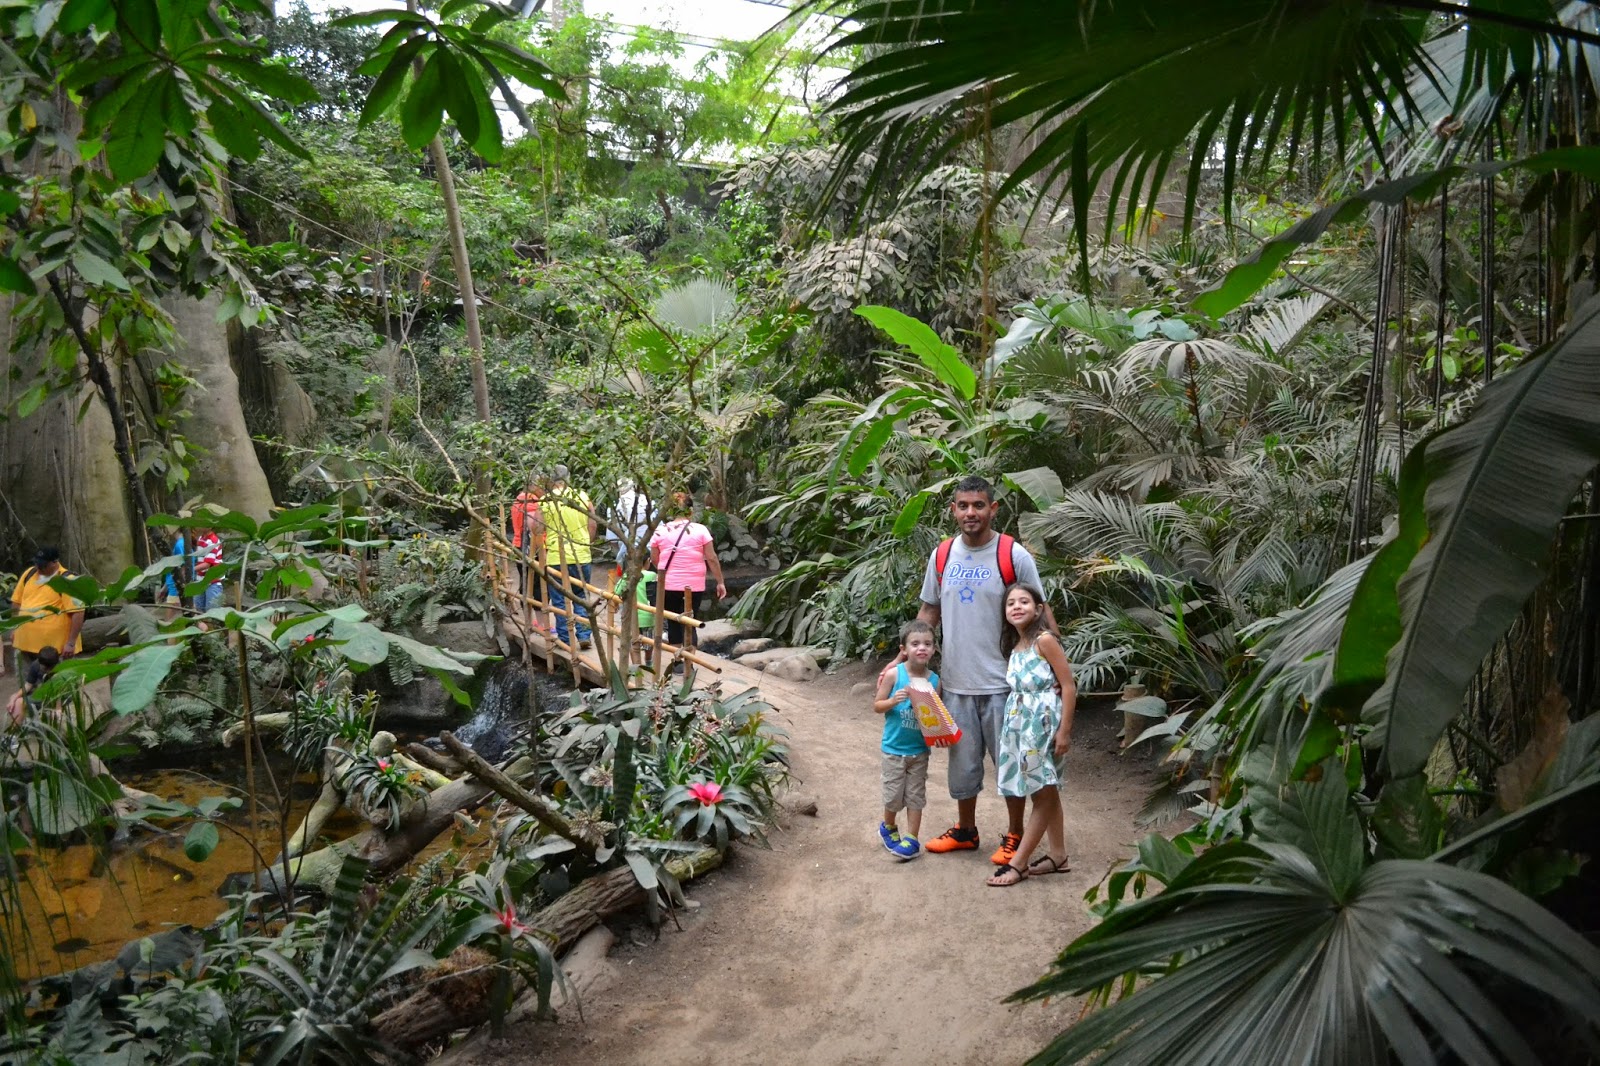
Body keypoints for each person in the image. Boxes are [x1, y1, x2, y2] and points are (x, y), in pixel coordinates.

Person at [912, 475, 1052, 864]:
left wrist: (1055, 671)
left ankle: (1015, 834)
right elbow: (929, 610)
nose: (970, 512)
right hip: (957, 682)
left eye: (978, 505)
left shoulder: (1013, 555)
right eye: (963, 506)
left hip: (1006, 685)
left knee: (1011, 764)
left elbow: (1041, 612)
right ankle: (966, 831)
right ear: (953, 510)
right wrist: (905, 658)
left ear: (993, 509)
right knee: (962, 765)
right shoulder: (942, 555)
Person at [987, 583, 1075, 886]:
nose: (1016, 606)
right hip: (1020, 727)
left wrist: (1064, 731)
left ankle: (1019, 862)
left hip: (1042, 727)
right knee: (1045, 790)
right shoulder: (1016, 646)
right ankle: (1058, 855)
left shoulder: (1045, 640)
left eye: (1024, 601)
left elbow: (1068, 686)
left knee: (1042, 792)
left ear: (1038, 609)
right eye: (1010, 603)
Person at [872, 620, 937, 860]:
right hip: (894, 749)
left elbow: (936, 718)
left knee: (916, 796)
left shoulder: (934, 680)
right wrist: (893, 701)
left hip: (919, 751)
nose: (922, 648)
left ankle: (912, 838)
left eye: (927, 644)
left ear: (934, 649)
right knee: (893, 796)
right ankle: (888, 827)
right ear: (904, 649)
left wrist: (938, 736)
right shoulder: (894, 674)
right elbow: (877, 706)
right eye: (915, 643)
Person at [648, 494, 727, 652]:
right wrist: (720, 582)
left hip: (668, 585)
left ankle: (677, 660)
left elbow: (655, 558)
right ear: (690, 511)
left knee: (673, 622)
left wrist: (667, 571)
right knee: (690, 622)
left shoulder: (661, 531)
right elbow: (711, 558)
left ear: (671, 511)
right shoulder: (700, 530)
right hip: (693, 586)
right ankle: (689, 661)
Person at [2, 548, 84, 679]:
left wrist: (71, 643)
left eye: (42, 565)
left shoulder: (67, 580)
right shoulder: (29, 574)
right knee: (27, 683)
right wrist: (15, 627)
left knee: (57, 683)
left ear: (55, 562)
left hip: (53, 650)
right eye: (37, 563)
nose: (38, 568)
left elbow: (78, 612)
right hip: (25, 644)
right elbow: (17, 601)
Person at [538, 465, 597, 646]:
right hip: (581, 555)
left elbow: (537, 528)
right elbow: (593, 524)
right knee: (581, 596)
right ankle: (584, 635)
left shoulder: (546, 500)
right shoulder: (582, 496)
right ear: (568, 478)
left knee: (559, 599)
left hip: (556, 556)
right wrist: (586, 543)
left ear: (551, 479)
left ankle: (565, 638)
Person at [606, 478, 655, 571]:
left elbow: (612, 540)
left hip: (629, 554)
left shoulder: (614, 507)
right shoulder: (650, 502)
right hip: (651, 554)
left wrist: (620, 559)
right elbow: (659, 529)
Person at [6, 645, 59, 729]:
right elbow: (28, 685)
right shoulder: (36, 665)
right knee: (17, 702)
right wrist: (15, 697)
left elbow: (59, 690)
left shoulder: (60, 668)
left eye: (49, 668)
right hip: (42, 694)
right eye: (44, 668)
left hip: (58, 695)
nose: (47, 671)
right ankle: (15, 733)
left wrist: (58, 708)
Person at [192, 525, 224, 611]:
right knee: (198, 610)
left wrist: (191, 569)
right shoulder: (201, 538)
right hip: (200, 580)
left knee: (212, 611)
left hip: (212, 581)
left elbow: (207, 564)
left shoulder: (213, 541)